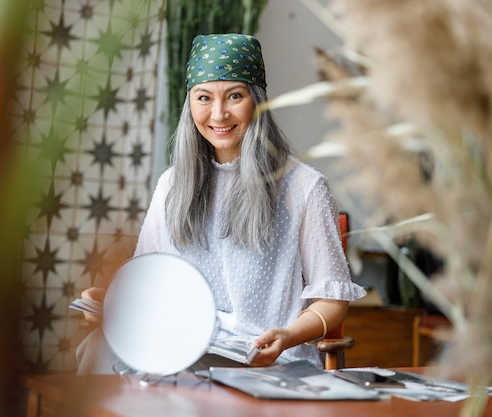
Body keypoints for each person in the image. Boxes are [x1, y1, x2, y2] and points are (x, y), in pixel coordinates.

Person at [76, 33, 366, 374]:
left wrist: (288, 336)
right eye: (204, 97)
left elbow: (332, 302)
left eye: (234, 96)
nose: (218, 113)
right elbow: (148, 284)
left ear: (257, 101)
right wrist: (109, 300)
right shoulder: (171, 184)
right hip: (178, 349)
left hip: (263, 359)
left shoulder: (304, 186)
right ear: (190, 104)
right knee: (101, 346)